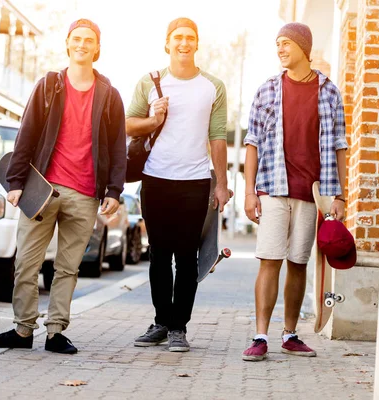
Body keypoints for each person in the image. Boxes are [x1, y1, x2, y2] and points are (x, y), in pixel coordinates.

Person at [0, 19, 127, 354]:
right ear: (67, 44)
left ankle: (55, 332)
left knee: (67, 269)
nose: (82, 45)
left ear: (97, 48)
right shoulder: (49, 85)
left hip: (85, 195)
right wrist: (17, 181)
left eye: (88, 40)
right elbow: (27, 134)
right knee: (26, 264)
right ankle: (23, 330)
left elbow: (118, 145)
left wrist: (113, 191)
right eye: (76, 39)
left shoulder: (109, 95)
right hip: (42, 190)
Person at [241, 22, 348, 361]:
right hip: (273, 188)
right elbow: (252, 144)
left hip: (312, 192)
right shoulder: (268, 90)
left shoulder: (329, 91)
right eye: (278, 44)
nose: (281, 50)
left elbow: (340, 147)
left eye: (286, 43)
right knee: (269, 260)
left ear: (304, 47)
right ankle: (260, 336)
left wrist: (341, 196)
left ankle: (289, 334)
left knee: (298, 262)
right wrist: (249, 192)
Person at [126, 17, 230, 352]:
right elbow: (129, 125)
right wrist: (154, 119)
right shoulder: (150, 82)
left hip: (195, 181)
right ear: (167, 43)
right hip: (155, 179)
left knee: (186, 258)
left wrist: (222, 184)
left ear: (196, 44)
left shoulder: (213, 86)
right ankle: (161, 322)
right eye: (177, 37)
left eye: (190, 37)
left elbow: (217, 137)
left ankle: (178, 328)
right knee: (158, 255)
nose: (184, 43)